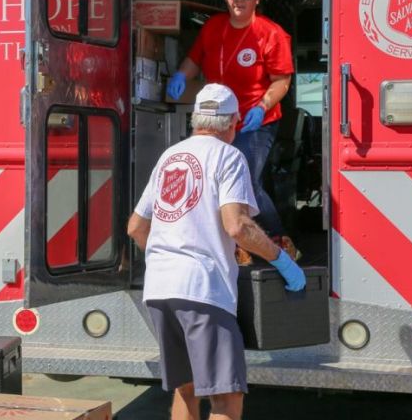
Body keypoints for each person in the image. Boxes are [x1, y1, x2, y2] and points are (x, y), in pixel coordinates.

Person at [127, 83, 305, 420]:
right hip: (202, 291)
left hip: (159, 291)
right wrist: (281, 260)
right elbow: (238, 227)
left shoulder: (170, 155)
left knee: (187, 388)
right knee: (225, 398)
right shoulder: (229, 156)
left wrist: (165, 257)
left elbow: (136, 227)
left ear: (196, 120)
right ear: (234, 122)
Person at [166, 0, 294, 249]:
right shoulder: (213, 27)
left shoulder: (271, 34)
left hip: (254, 120)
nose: (239, 0)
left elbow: (281, 82)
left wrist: (262, 107)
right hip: (216, 120)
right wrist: (180, 75)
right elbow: (195, 59)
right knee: (210, 178)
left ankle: (277, 238)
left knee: (246, 180)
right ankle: (230, 243)